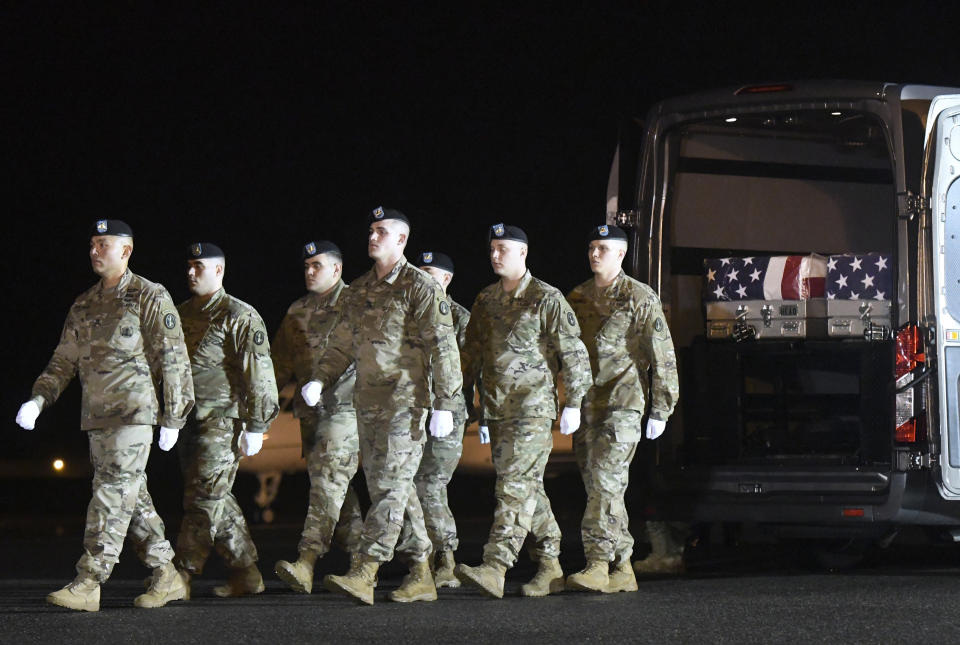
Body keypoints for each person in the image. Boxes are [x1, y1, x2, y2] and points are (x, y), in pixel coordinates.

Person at [15, 219, 194, 612]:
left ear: (126, 251)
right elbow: (63, 361)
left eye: (104, 244)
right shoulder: (83, 304)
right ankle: (167, 575)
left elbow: (173, 357)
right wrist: (39, 399)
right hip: (96, 419)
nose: (95, 251)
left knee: (111, 493)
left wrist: (174, 417)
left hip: (134, 415)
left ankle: (89, 581)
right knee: (133, 498)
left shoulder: (148, 295)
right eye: (93, 244)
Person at [300, 206, 462, 605]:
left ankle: (366, 571)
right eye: (371, 230)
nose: (373, 236)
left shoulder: (420, 288)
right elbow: (341, 344)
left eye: (382, 231)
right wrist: (321, 378)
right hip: (367, 406)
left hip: (406, 404)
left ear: (402, 240)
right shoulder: (358, 290)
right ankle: (422, 573)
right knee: (394, 492)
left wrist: (444, 402)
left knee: (390, 488)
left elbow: (443, 348)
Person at [455, 223, 592, 599]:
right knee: (527, 488)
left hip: (533, 410)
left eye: (504, 248)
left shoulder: (546, 298)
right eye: (492, 249)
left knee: (512, 487)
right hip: (499, 411)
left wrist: (574, 403)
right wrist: (467, 403)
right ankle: (550, 566)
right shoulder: (485, 300)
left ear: (523, 253)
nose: (495, 255)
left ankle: (495, 566)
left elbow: (574, 354)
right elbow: (472, 356)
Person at [564, 224, 679, 593]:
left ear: (621, 254)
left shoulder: (639, 297)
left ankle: (597, 564)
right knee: (599, 488)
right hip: (587, 407)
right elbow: (564, 353)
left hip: (624, 404)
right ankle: (624, 565)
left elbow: (663, 355)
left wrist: (661, 409)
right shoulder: (577, 297)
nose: (595, 253)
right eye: (592, 247)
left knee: (605, 483)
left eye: (603, 247)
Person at [172, 242, 280, 598]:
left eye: (199, 266)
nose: (191, 272)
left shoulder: (240, 315)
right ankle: (245, 573)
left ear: (218, 271)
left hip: (223, 422)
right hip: (189, 422)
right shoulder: (181, 313)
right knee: (216, 497)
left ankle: (180, 576)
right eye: (189, 265)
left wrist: (258, 426)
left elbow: (260, 376)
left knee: (203, 499)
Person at [272, 240, 364, 593]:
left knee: (327, 482)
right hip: (310, 417)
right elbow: (279, 365)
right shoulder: (297, 311)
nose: (309, 271)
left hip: (346, 411)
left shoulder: (357, 305)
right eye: (306, 266)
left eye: (317, 265)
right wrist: (260, 411)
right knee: (335, 490)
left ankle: (307, 561)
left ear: (337, 269)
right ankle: (360, 560)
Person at [395, 251, 470, 588]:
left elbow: (467, 369)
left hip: (446, 412)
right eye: (419, 271)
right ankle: (420, 558)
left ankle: (446, 559)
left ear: (446, 279)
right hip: (409, 410)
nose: (422, 278)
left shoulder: (460, 318)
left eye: (430, 272)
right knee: (402, 484)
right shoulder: (407, 315)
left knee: (429, 485)